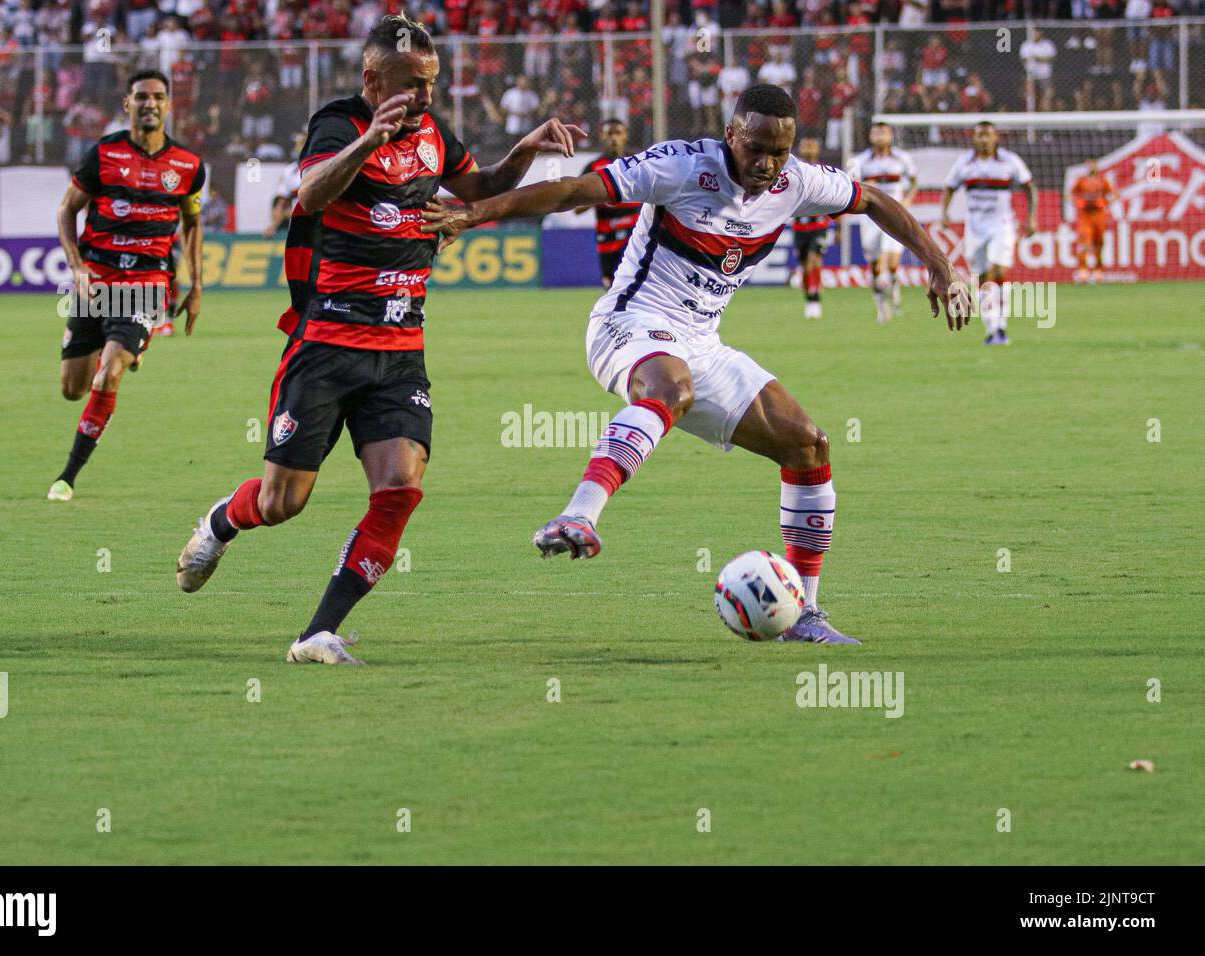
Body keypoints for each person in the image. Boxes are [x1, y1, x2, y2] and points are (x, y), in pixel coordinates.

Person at [424, 85, 971, 646]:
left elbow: (874, 199)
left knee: (808, 444)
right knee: (670, 385)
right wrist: (474, 213)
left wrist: (939, 264)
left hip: (702, 344)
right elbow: (571, 190)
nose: (765, 164)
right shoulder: (682, 166)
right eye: (754, 148)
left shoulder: (797, 182)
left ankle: (804, 611)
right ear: (731, 134)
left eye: (778, 152)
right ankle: (578, 515)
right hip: (629, 323)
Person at [175, 14, 586, 665]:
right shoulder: (338, 124)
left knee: (399, 488)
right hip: (327, 347)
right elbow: (311, 193)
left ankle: (316, 633)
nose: (425, 96)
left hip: (399, 352)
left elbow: (479, 187)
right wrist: (369, 141)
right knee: (284, 502)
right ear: (373, 79)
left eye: (432, 82)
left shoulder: (432, 132)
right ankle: (224, 521)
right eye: (412, 83)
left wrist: (527, 148)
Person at [48, 70, 205, 501]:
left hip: (147, 282)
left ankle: (67, 477)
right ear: (127, 104)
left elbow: (193, 224)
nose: (149, 103)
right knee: (72, 389)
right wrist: (76, 266)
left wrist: (196, 287)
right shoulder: (103, 154)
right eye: (141, 96)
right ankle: (123, 345)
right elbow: (66, 211)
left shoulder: (189, 166)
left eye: (158, 96)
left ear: (169, 105)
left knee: (108, 375)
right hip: (96, 281)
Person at [940, 121, 1037, 346]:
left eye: (988, 135)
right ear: (974, 139)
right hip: (974, 226)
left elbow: (1029, 187)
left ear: (996, 138)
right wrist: (943, 212)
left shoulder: (1009, 161)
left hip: (1001, 224)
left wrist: (1031, 217)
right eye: (979, 136)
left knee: (999, 270)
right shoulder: (964, 163)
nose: (983, 139)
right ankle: (992, 328)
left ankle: (1001, 326)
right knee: (983, 277)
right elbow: (949, 188)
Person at [847, 123, 918, 323]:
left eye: (884, 132)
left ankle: (892, 287)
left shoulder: (902, 159)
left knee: (891, 262)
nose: (880, 136)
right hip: (869, 218)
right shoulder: (860, 161)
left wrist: (908, 201)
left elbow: (913, 182)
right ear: (870, 136)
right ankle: (881, 306)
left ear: (891, 135)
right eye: (876, 132)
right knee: (875, 266)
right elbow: (850, 187)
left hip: (894, 216)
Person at [576, 118, 642, 288]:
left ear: (625, 136)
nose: (614, 138)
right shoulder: (594, 167)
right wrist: (603, 194)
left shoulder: (638, 162)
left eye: (618, 133)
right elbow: (576, 207)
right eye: (609, 134)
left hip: (635, 232)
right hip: (607, 233)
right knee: (611, 285)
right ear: (602, 137)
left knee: (639, 282)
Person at [790, 137, 831, 319]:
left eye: (811, 145)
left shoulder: (824, 172)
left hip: (819, 225)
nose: (808, 148)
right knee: (806, 266)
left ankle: (816, 298)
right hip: (800, 227)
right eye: (805, 145)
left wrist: (837, 227)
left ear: (817, 149)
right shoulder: (792, 171)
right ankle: (809, 297)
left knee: (815, 259)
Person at [1070, 159, 1115, 283]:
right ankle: (1083, 271)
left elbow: (1114, 195)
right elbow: (1070, 195)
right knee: (1084, 243)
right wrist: (1079, 203)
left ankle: (1098, 271)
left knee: (1099, 244)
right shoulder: (1081, 181)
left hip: (1099, 215)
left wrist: (1104, 203)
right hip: (1085, 216)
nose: (1092, 167)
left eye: (1094, 165)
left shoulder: (1103, 181)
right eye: (1090, 165)